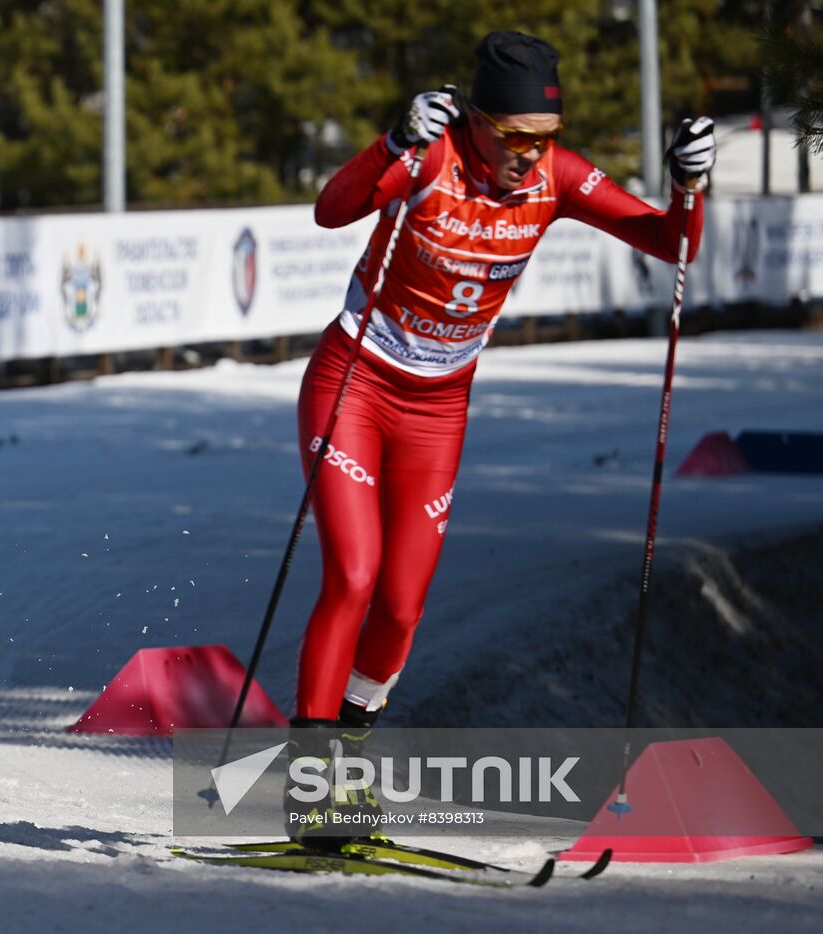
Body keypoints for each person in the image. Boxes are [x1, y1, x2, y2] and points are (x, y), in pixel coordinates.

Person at [284, 31, 715, 848]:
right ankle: (310, 787)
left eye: (542, 140)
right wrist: (394, 141)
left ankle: (346, 757)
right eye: (514, 138)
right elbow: (331, 210)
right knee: (354, 571)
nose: (529, 157)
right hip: (356, 382)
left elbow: (674, 244)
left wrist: (691, 182)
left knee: (404, 605)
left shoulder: (556, 176)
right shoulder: (430, 157)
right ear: (478, 122)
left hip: (439, 408)